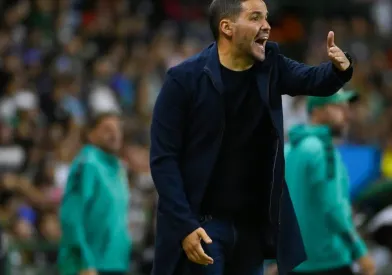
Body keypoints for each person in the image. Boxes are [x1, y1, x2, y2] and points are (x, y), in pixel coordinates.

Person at [149, 0, 354, 274]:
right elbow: (164, 160)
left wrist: (339, 69)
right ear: (227, 28)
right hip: (203, 227)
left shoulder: (271, 65)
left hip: (250, 231)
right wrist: (185, 225)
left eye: (266, 18)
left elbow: (312, 79)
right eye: (256, 18)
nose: (267, 26)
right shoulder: (183, 80)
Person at [284, 90, 375, 275]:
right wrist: (359, 251)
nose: (347, 115)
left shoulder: (289, 150)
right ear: (318, 111)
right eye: (339, 108)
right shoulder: (323, 149)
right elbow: (334, 208)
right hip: (330, 262)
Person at [58, 113, 131, 275]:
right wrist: (83, 262)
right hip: (88, 267)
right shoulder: (87, 163)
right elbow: (71, 216)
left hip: (114, 263)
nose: (114, 134)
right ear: (90, 134)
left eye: (118, 129)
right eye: (107, 129)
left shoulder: (118, 167)